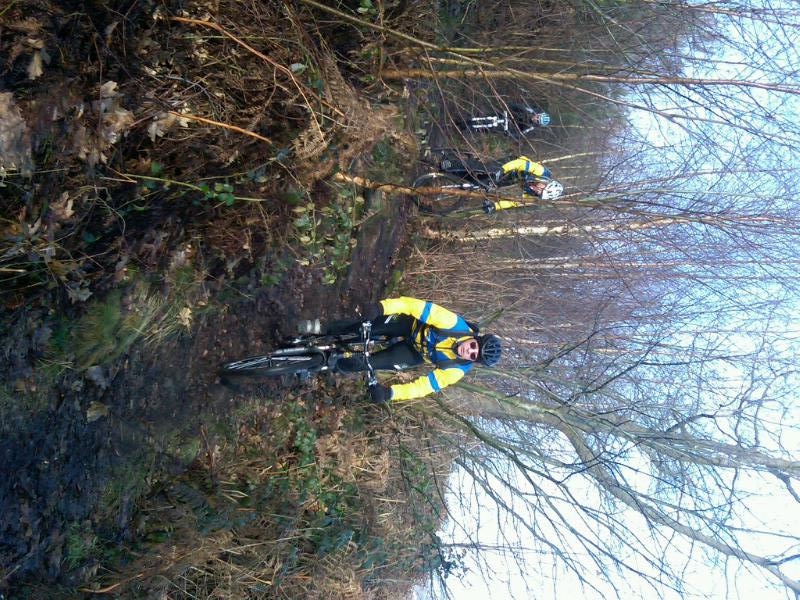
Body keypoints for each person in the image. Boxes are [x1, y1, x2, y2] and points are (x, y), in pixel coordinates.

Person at [301, 297, 502, 403]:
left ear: (473, 361)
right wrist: (381, 308)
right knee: (368, 326)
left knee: (370, 363)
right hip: (410, 325)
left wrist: (389, 393)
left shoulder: (456, 369)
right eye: (473, 346)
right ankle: (322, 328)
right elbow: (414, 306)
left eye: (473, 356)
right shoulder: (453, 324)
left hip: (416, 353)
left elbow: (423, 388)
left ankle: (325, 364)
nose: (468, 351)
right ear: (474, 338)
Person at [483, 155, 564, 213]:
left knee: (490, 184)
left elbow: (515, 202)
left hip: (514, 178)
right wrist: (502, 170)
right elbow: (519, 164)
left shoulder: (533, 194)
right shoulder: (540, 171)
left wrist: (495, 206)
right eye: (542, 189)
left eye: (540, 193)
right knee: (489, 170)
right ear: (546, 183)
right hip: (512, 163)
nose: (538, 191)